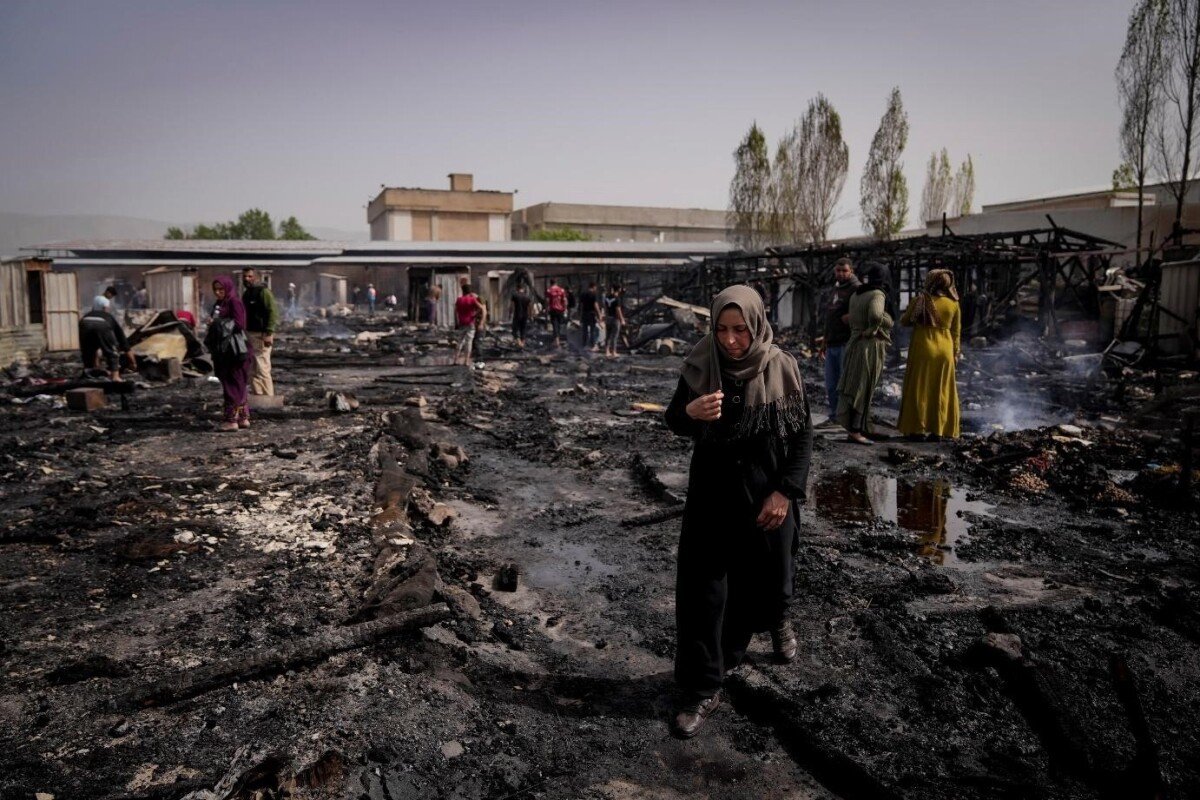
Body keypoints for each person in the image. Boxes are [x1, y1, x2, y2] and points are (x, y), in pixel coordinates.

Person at [664, 285, 813, 738]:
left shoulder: (781, 367)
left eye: (740, 330)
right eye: (722, 329)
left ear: (756, 324)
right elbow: (674, 419)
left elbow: (803, 437)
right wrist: (690, 412)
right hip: (712, 497)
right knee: (703, 596)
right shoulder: (700, 365)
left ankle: (778, 621)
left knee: (770, 578)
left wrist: (786, 493)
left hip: (767, 497)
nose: (730, 340)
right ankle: (703, 687)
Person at [897, 269, 962, 441]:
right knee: (941, 389)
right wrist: (955, 353)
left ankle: (917, 430)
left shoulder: (921, 300)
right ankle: (939, 431)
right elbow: (956, 331)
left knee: (920, 388)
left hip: (923, 348)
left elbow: (905, 321)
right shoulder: (954, 303)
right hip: (946, 351)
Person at [836, 262, 894, 445]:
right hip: (868, 346)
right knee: (863, 386)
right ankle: (855, 431)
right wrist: (877, 327)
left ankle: (861, 428)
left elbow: (851, 317)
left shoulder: (856, 294)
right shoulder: (878, 294)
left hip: (854, 344)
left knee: (853, 385)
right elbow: (876, 315)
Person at [207, 275, 253, 431]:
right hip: (224, 350)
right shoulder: (220, 304)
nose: (218, 292)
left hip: (234, 350)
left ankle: (231, 420)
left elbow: (240, 324)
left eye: (221, 289)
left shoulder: (234, 302)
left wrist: (217, 323)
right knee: (236, 382)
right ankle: (242, 418)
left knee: (233, 383)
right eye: (216, 290)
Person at [819, 258, 859, 415]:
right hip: (832, 343)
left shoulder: (857, 289)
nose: (841, 274)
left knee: (845, 382)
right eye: (838, 270)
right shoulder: (836, 289)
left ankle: (846, 416)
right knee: (831, 384)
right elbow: (830, 317)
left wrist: (852, 316)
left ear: (851, 272)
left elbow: (869, 310)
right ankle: (835, 414)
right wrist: (824, 341)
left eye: (844, 271)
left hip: (846, 342)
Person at [241, 268, 279, 397]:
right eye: (245, 276)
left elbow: (272, 312)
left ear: (256, 277)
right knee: (252, 368)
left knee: (262, 367)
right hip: (250, 333)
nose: (247, 279)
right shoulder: (247, 294)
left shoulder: (263, 292)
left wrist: (269, 333)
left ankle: (269, 398)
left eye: (250, 276)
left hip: (261, 334)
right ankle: (258, 396)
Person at [78, 295, 133, 381]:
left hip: (84, 323)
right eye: (107, 307)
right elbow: (123, 341)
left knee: (88, 350)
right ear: (104, 307)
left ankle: (90, 372)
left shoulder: (87, 315)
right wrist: (133, 362)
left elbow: (93, 346)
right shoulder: (108, 316)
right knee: (111, 351)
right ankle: (115, 377)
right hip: (101, 324)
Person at [453, 283, 487, 366]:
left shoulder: (459, 299)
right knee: (469, 342)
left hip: (461, 323)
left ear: (463, 291)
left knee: (460, 341)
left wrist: (456, 322)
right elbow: (482, 308)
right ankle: (466, 361)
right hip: (470, 323)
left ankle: (455, 360)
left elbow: (455, 311)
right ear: (470, 291)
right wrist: (475, 314)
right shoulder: (472, 299)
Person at [602, 283, 625, 358]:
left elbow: (605, 308)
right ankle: (613, 352)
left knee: (608, 335)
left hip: (608, 318)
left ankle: (606, 351)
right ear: (618, 289)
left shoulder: (607, 298)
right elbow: (618, 310)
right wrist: (622, 319)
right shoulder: (617, 299)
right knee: (614, 336)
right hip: (615, 319)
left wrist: (605, 316)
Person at [578, 282, 601, 351]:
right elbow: (595, 305)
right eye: (595, 288)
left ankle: (584, 344)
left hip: (585, 313)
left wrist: (580, 315)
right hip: (591, 314)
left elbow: (581, 306)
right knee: (592, 330)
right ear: (593, 287)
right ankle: (592, 345)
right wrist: (599, 314)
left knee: (584, 330)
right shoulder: (594, 294)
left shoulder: (583, 294)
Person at [545, 279, 567, 348]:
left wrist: (546, 309)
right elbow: (565, 300)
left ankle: (556, 340)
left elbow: (547, 300)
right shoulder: (562, 290)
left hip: (553, 309)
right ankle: (558, 338)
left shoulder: (549, 290)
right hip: (560, 310)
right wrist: (565, 308)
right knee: (559, 324)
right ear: (556, 283)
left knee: (554, 324)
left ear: (550, 283)